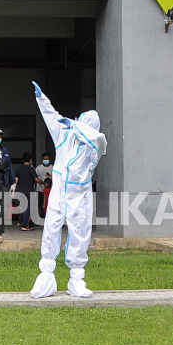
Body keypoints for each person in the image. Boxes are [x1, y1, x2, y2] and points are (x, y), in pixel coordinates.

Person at [30, 81, 107, 299]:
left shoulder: (96, 146)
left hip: (79, 195)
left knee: (80, 234)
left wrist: (76, 126)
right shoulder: (64, 135)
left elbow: (97, 139)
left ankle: (76, 280)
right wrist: (42, 98)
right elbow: (51, 116)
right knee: (51, 231)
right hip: (58, 192)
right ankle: (46, 278)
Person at [14, 152, 43, 231]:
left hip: (21, 191)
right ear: (30, 160)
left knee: (24, 208)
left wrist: (13, 190)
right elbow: (37, 179)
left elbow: (16, 181)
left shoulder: (19, 169)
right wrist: (44, 183)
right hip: (30, 191)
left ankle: (31, 225)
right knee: (29, 208)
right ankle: (25, 225)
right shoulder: (31, 169)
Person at [38, 153, 53, 218]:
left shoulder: (53, 167)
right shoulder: (39, 168)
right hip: (40, 189)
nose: (45, 161)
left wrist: (50, 177)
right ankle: (39, 218)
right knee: (39, 204)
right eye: (44, 159)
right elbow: (36, 177)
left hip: (50, 190)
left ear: (49, 159)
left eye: (47, 159)